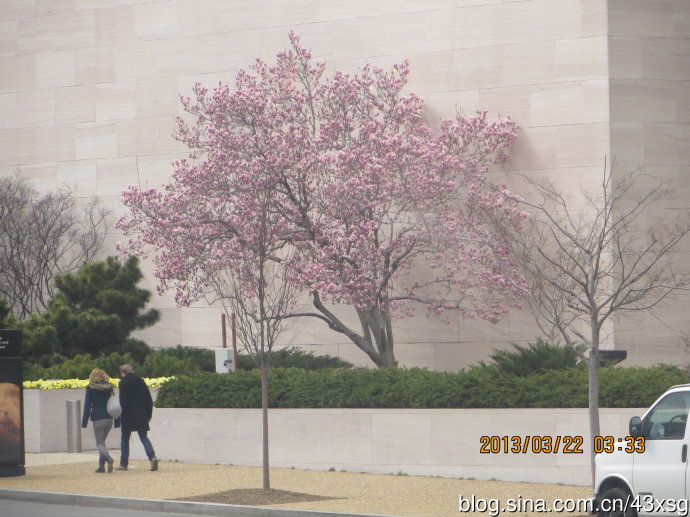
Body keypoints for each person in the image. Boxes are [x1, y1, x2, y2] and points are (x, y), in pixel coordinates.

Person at [117, 364, 158, 471]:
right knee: (144, 437)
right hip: (141, 414)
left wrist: (121, 415)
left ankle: (123, 463)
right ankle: (152, 457)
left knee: (125, 438)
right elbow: (148, 399)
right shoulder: (141, 381)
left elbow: (123, 401)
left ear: (123, 372)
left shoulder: (123, 383)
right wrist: (149, 415)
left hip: (128, 415)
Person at [81, 368, 119, 473]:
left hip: (98, 419)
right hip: (109, 418)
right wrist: (117, 421)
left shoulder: (91, 388)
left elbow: (87, 406)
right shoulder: (109, 387)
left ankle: (109, 459)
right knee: (102, 443)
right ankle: (101, 467)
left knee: (99, 444)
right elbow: (114, 404)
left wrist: (84, 422)